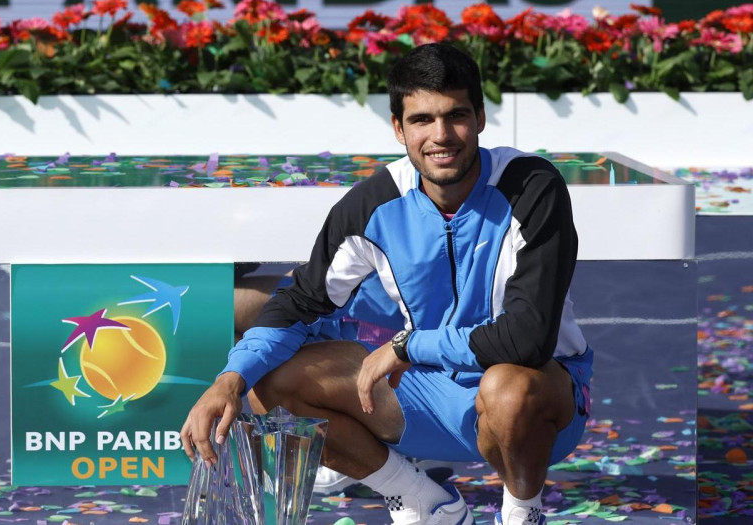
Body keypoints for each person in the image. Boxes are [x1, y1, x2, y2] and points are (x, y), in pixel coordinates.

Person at [182, 42, 593, 525]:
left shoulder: (532, 186)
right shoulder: (373, 202)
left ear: (480, 118)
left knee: (508, 386)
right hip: (428, 397)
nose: (441, 136)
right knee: (271, 382)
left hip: (536, 404)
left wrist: (407, 346)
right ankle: (422, 499)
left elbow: (527, 338)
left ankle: (522, 511)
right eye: (421, 120)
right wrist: (229, 380)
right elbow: (299, 303)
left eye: (456, 115)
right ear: (398, 128)